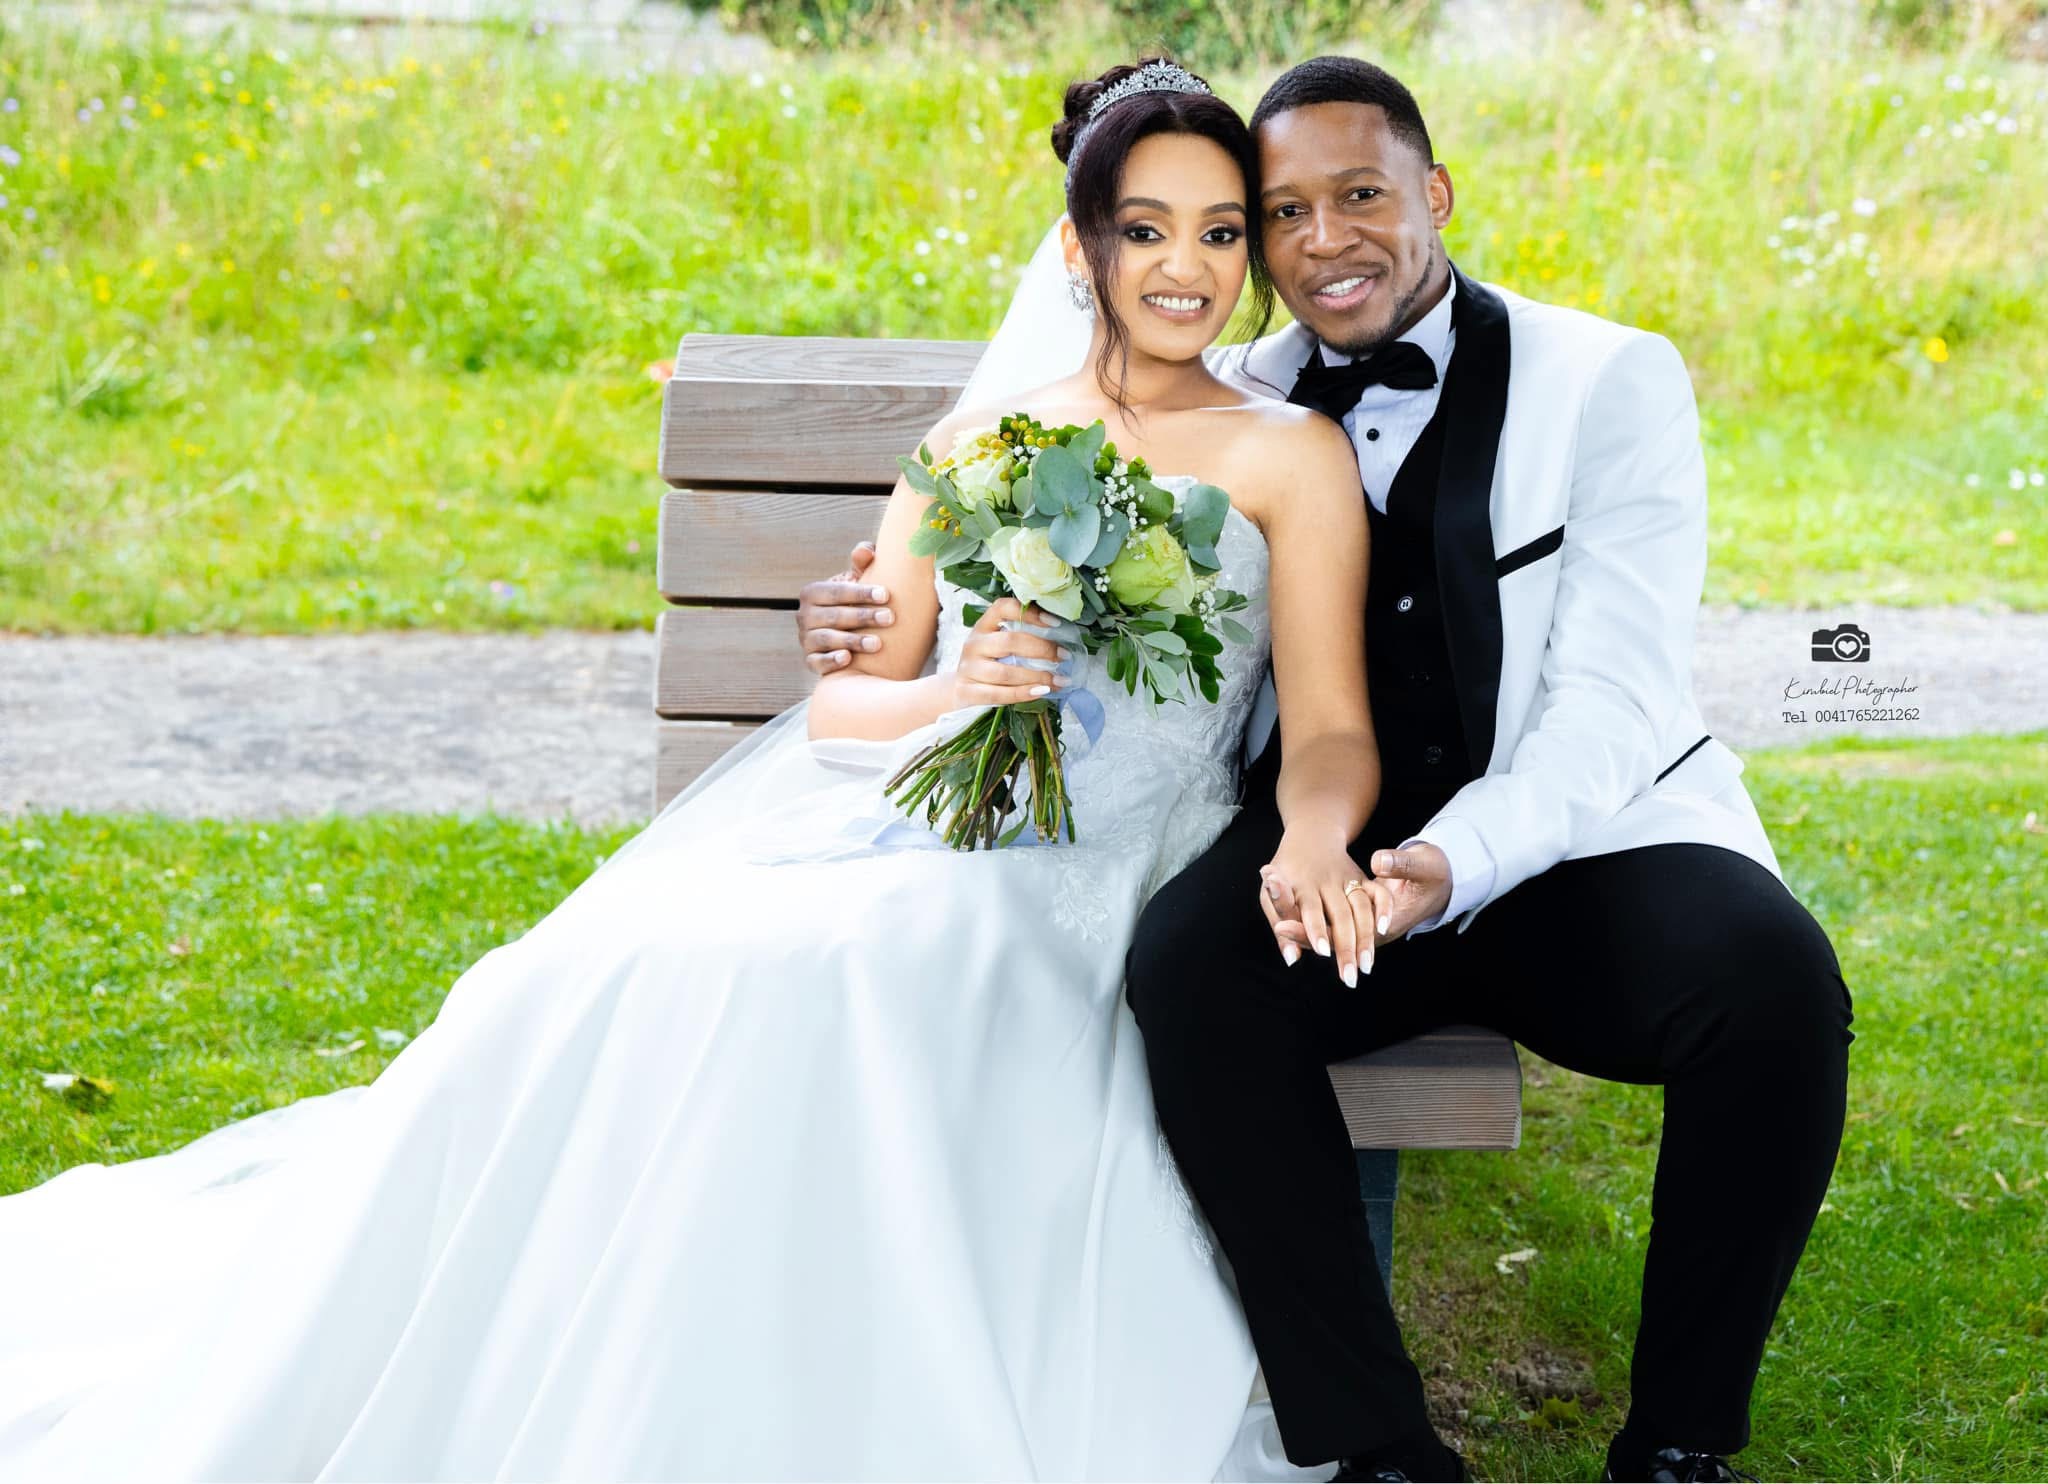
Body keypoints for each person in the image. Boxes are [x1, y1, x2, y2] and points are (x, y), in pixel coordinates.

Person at [0, 58, 1401, 1484]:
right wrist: (951, 691)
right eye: (1146, 229)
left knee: (868, 963)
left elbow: (1332, 727)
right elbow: (847, 708)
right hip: (932, 818)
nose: (1185, 269)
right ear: (1078, 244)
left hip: (1116, 855)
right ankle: (594, 1356)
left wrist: (1313, 833)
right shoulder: (978, 443)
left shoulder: (1288, 456)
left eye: (1220, 232)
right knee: (606, 965)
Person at [796, 55, 1855, 1484]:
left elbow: (1610, 709)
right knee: (1194, 971)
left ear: (1437, 192)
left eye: (1360, 196)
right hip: (1333, 833)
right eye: (1284, 213)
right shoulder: (1241, 387)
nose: (1322, 240)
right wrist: (870, 622)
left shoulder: (1605, 378)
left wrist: (1452, 864)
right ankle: (1378, 1447)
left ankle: (1678, 1442)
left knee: (1771, 984)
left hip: (1574, 841)